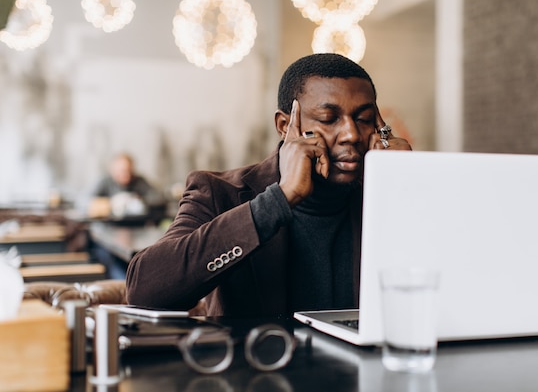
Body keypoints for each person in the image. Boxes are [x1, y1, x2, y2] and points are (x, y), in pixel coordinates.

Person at [125, 53, 412, 317]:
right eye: (329, 118)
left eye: (362, 119)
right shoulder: (219, 192)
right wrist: (279, 199)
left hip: (364, 372)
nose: (351, 134)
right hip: (255, 370)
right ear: (285, 126)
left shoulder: (381, 195)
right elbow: (144, 289)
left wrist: (409, 188)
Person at [89, 153, 163, 218]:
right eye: (123, 171)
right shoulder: (105, 182)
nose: (127, 175)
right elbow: (84, 200)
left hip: (136, 226)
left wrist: (139, 200)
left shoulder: (139, 181)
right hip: (109, 226)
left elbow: (159, 198)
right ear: (113, 170)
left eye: (129, 171)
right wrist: (110, 204)